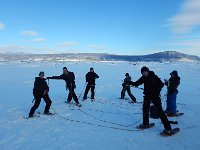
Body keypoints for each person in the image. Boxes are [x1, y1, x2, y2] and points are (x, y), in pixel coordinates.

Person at [129, 66, 173, 134]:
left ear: (148, 71)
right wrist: (129, 82)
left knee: (160, 112)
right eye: (143, 72)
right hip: (147, 97)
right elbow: (137, 83)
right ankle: (145, 124)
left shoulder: (154, 76)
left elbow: (161, 85)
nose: (144, 73)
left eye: (145, 71)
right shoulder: (143, 77)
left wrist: (155, 90)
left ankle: (168, 128)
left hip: (155, 97)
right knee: (145, 110)